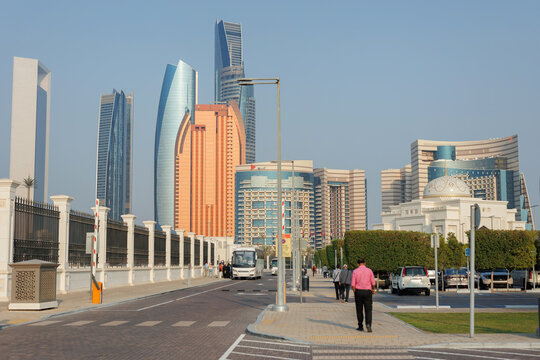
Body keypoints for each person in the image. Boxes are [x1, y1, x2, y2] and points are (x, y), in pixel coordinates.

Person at [351, 258, 376, 333]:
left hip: (358, 291)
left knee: (359, 310)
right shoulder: (369, 270)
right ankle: (368, 324)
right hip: (367, 291)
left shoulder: (355, 271)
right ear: (365, 263)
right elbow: (373, 282)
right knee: (368, 309)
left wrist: (355, 291)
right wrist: (373, 289)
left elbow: (353, 284)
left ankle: (360, 326)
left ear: (357, 264)